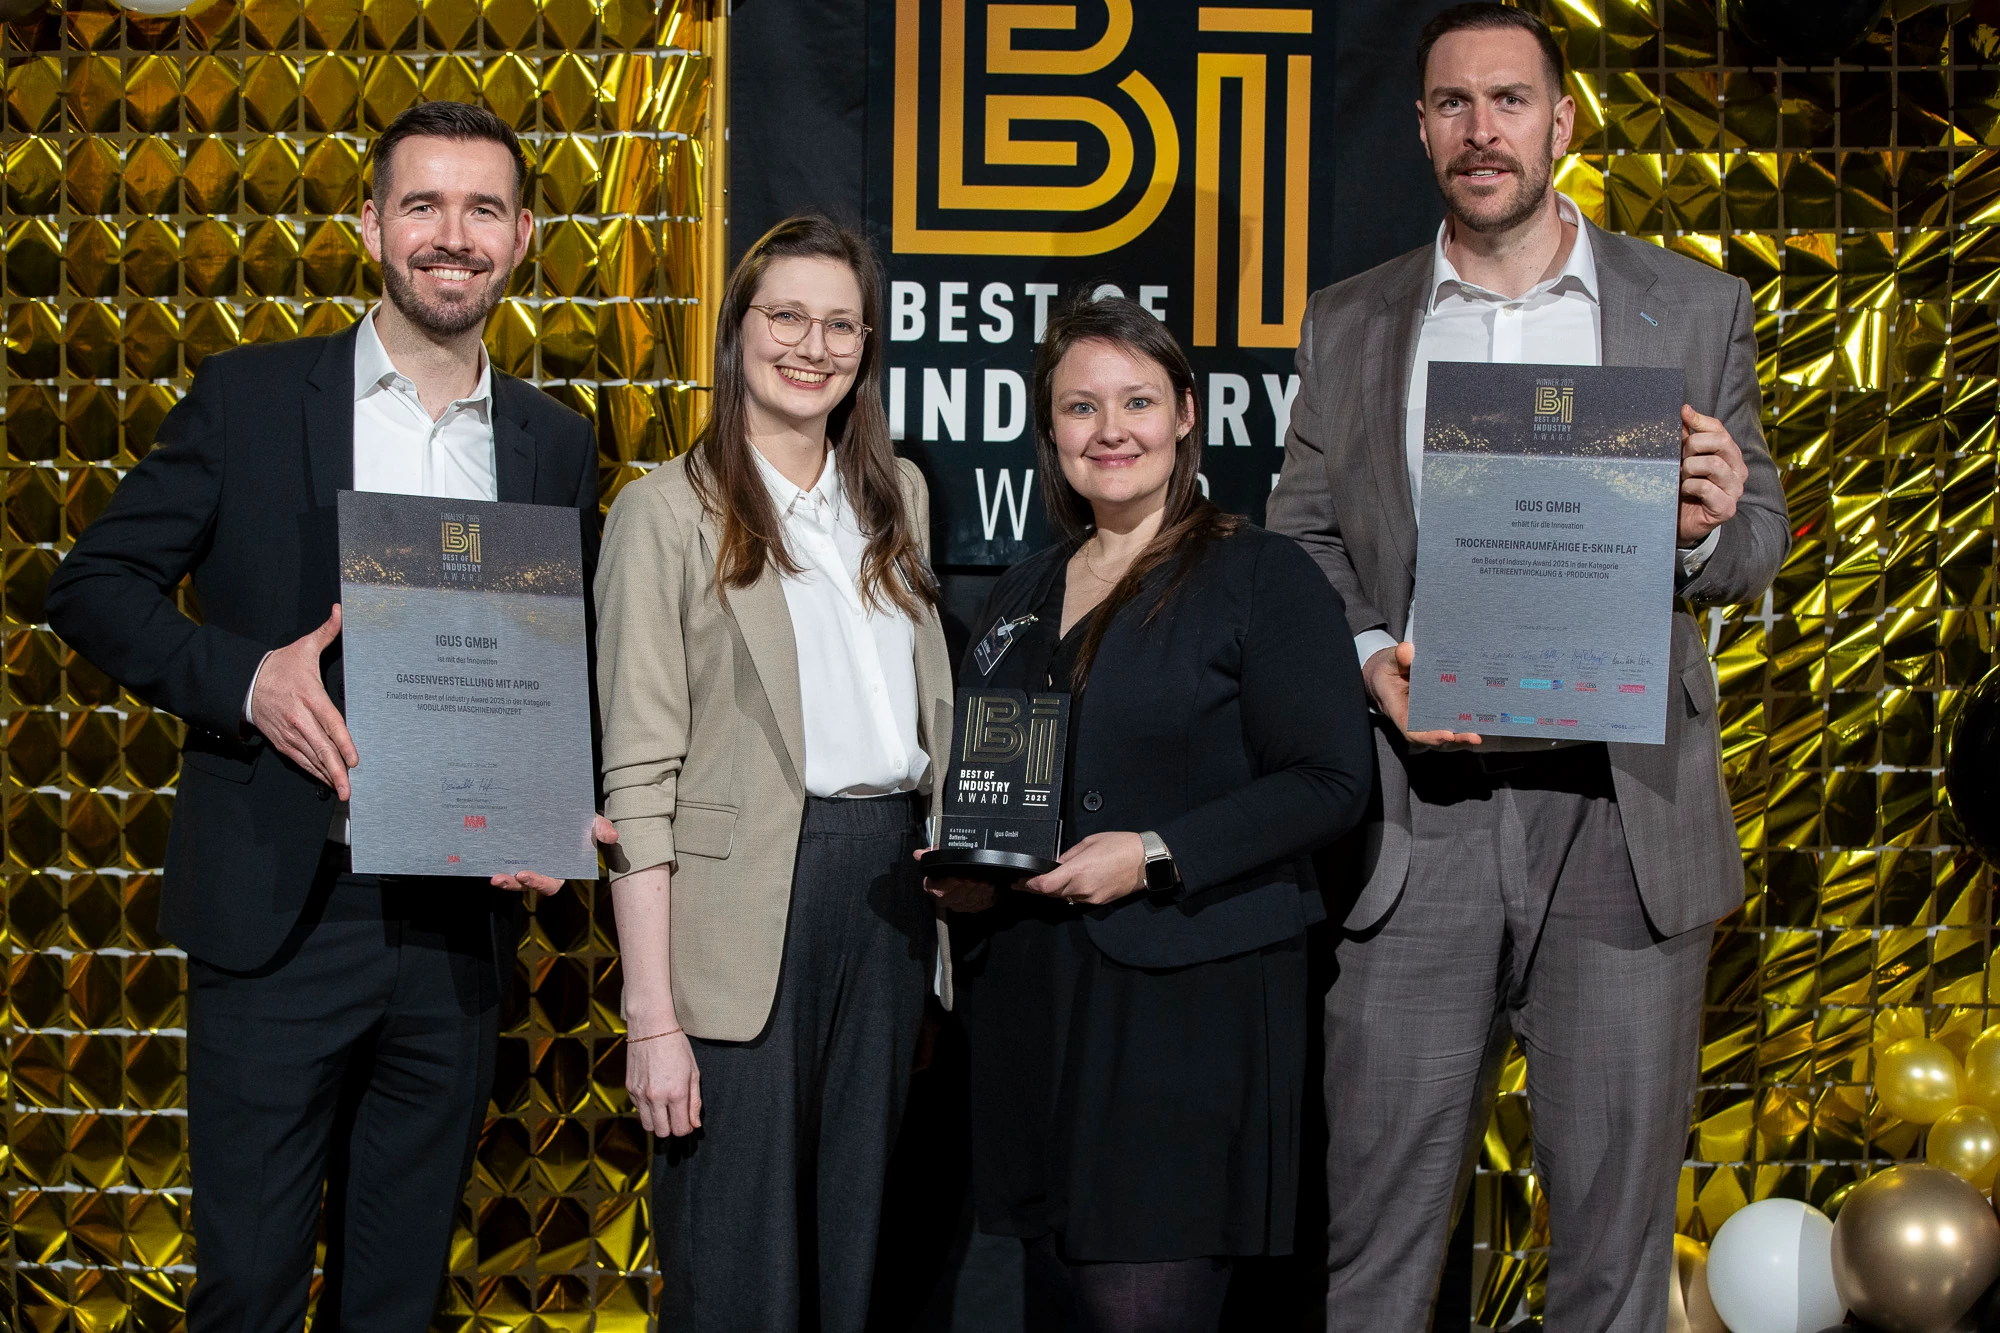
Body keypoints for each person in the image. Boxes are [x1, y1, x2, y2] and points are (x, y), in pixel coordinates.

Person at [1264, 6, 1791, 1329]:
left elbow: (1756, 542)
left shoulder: (1692, 303)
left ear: (1560, 121)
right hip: (1419, 808)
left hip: (1622, 814)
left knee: (1611, 1256)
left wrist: (1708, 523)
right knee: (1377, 1245)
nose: (1481, 130)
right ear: (1420, 127)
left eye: (1509, 101)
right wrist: (1371, 661)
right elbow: (1303, 539)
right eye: (1453, 103)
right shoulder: (1351, 319)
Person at [43, 101, 611, 1330]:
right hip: (282, 915)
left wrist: (559, 801)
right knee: (248, 1288)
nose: (451, 236)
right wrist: (247, 679)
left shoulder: (554, 441)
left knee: (396, 1298)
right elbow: (91, 586)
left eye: (482, 209)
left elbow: (558, 659)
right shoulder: (248, 398)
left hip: (457, 925)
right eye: (422, 204)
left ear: (522, 236)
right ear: (368, 224)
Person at [929, 295, 1373, 1333]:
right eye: (1080, 406)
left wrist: (1153, 853)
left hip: (1188, 1014)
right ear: (1050, 428)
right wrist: (971, 880)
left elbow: (1329, 779)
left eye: (1136, 401)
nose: (1110, 430)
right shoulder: (1020, 591)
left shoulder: (1260, 574)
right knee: (1053, 1309)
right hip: (1038, 1008)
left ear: (1184, 413)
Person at [594, 214, 954, 1332]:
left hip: (892, 895)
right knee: (736, 1268)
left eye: (841, 324)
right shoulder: (661, 512)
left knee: (856, 1255)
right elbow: (637, 778)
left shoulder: (899, 494)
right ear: (738, 330)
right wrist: (651, 1015)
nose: (813, 345)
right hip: (738, 912)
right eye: (787, 316)